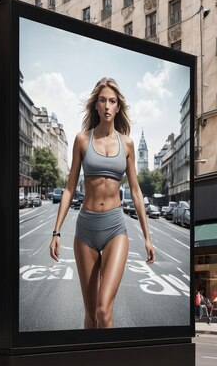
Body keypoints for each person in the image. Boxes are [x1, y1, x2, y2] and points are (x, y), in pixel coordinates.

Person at [49, 77, 155, 329]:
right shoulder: (82, 140)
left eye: (112, 101)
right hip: (85, 230)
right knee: (90, 316)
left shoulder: (127, 143)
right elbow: (69, 188)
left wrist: (147, 237)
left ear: (118, 107)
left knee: (104, 310)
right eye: (103, 100)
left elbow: (137, 193)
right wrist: (56, 231)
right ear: (96, 105)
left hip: (115, 228)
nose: (107, 106)